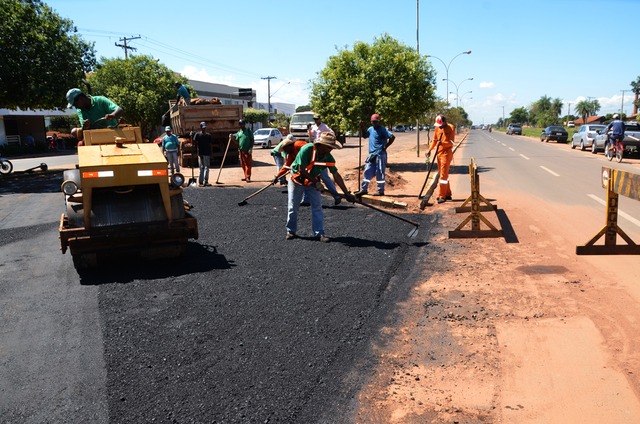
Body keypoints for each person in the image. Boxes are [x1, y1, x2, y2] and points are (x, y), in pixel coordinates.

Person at [286, 132, 355, 242]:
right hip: (297, 181)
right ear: (321, 145)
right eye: (329, 147)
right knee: (293, 207)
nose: (331, 150)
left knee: (317, 207)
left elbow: (336, 175)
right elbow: (301, 170)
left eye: (332, 147)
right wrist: (316, 182)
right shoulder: (307, 149)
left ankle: (319, 233)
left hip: (312, 182)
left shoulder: (328, 157)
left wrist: (346, 193)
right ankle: (291, 231)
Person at [355, 113, 395, 197]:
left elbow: (392, 137)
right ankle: (364, 189)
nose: (374, 123)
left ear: (379, 121)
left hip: (380, 154)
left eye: (376, 122)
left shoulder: (382, 129)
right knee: (367, 171)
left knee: (380, 172)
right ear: (371, 122)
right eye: (373, 122)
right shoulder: (370, 129)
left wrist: (385, 146)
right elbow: (365, 136)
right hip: (372, 155)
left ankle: (380, 191)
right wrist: (362, 128)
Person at [309, 114, 342, 205]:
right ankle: (306, 199)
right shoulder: (313, 127)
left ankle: (336, 195)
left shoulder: (324, 127)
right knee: (310, 175)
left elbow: (335, 173)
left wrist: (346, 192)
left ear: (320, 119)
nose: (316, 121)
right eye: (314, 119)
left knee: (324, 177)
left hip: (322, 151)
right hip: (316, 150)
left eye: (317, 119)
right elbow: (311, 136)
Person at [426, 114, 455, 204]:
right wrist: (430, 149)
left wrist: (441, 143)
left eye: (441, 124)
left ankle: (442, 196)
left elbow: (451, 142)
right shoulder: (438, 128)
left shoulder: (451, 128)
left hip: (446, 154)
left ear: (445, 121)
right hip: (439, 153)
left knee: (443, 175)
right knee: (444, 174)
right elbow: (434, 140)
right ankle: (448, 193)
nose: (440, 126)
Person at [192, 122, 212, 186]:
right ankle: (200, 182)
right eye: (203, 128)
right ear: (201, 128)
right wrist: (192, 136)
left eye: (205, 127)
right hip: (200, 153)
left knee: (207, 167)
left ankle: (206, 181)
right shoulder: (197, 135)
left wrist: (211, 153)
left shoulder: (208, 135)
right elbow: (194, 143)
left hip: (207, 153)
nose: (204, 129)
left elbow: (210, 144)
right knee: (201, 167)